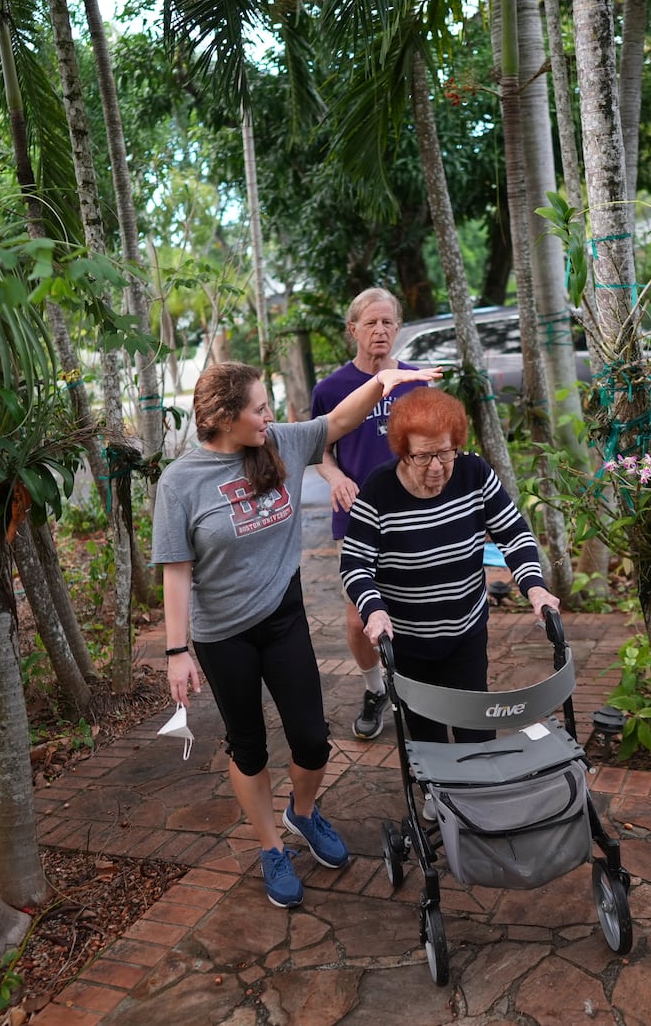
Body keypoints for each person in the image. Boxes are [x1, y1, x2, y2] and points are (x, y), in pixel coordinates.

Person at [154, 360, 439, 909]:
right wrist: (175, 651)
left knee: (311, 736)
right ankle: (269, 846)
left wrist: (381, 385)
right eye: (259, 408)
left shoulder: (276, 442)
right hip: (223, 635)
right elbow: (176, 568)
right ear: (223, 417)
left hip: (283, 617)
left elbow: (336, 423)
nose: (270, 415)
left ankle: (301, 815)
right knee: (249, 745)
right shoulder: (181, 482)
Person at [339, 388, 559, 814]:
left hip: (465, 629)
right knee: (426, 729)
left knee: (475, 719)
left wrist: (533, 586)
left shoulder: (473, 472)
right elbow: (355, 564)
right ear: (404, 451)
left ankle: (480, 799)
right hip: (408, 638)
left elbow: (513, 533)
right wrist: (374, 608)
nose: (437, 467)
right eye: (423, 456)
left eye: (446, 453)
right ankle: (437, 796)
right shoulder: (380, 489)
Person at [310, 287, 420, 741]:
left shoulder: (416, 378)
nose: (380, 330)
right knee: (359, 618)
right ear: (352, 329)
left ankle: (417, 695)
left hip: (413, 514)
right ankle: (375, 688)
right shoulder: (331, 389)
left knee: (413, 610)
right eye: (371, 323)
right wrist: (335, 478)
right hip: (357, 518)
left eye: (388, 322)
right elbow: (319, 450)